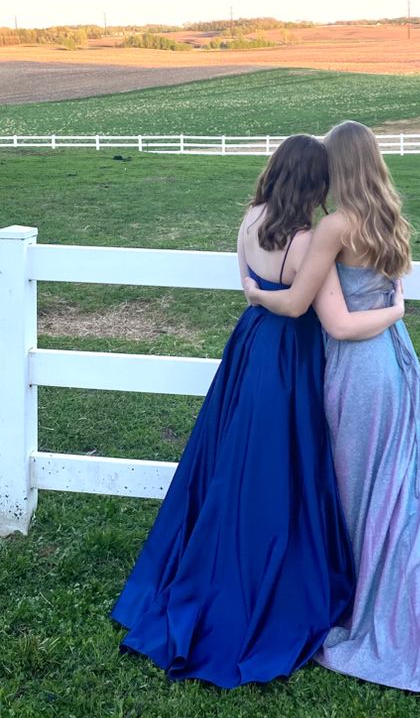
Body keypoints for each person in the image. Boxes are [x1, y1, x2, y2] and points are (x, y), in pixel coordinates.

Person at [111, 134, 403, 688]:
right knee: (280, 460)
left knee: (233, 453)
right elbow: (300, 306)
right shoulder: (307, 240)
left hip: (249, 343)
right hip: (289, 353)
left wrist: (255, 295)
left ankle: (211, 555)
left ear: (274, 173)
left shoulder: (250, 219)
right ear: (313, 183)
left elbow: (249, 283)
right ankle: (272, 566)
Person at [245, 121, 420, 693]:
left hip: (360, 368)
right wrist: (395, 313)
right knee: (408, 487)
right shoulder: (387, 216)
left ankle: (376, 611)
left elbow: (332, 321)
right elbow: (386, 292)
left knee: (364, 491)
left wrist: (255, 292)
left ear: (339, 167)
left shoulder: (335, 226)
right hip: (397, 362)